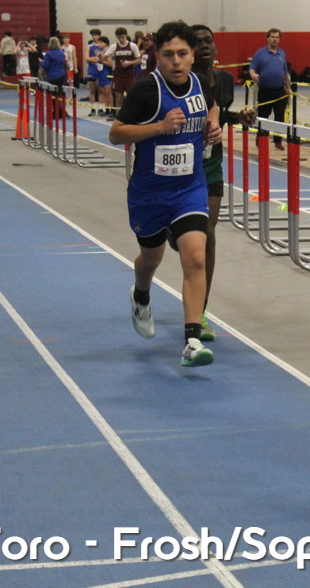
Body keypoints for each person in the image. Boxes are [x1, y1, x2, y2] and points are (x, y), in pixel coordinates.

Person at [109, 20, 222, 367]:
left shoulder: (200, 83)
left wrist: (213, 126)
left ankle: (191, 341)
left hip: (189, 187)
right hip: (149, 192)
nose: (176, 61)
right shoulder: (146, 89)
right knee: (151, 259)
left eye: (182, 54)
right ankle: (141, 294)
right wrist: (159, 127)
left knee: (196, 257)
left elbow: (212, 106)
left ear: (192, 56)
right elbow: (116, 133)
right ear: (158, 56)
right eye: (169, 54)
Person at [191, 24, 256, 341]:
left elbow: (220, 114)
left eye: (208, 41)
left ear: (215, 46)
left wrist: (238, 118)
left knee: (206, 235)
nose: (204, 46)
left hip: (211, 166)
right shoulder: (183, 81)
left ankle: (200, 311)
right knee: (179, 240)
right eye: (197, 42)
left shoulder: (226, 81)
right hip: (181, 166)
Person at [249, 28, 291, 150]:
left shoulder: (282, 53)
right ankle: (261, 139)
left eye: (277, 37)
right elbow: (252, 67)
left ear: (279, 39)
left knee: (280, 117)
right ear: (268, 38)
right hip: (265, 91)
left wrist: (288, 88)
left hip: (279, 90)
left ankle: (278, 141)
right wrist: (253, 75)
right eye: (272, 37)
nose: (274, 39)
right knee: (263, 116)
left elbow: (285, 72)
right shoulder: (260, 53)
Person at [106, 27, 141, 118]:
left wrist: (129, 63)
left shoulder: (132, 46)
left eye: (122, 37)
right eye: (119, 38)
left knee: (131, 95)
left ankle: (131, 114)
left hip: (129, 75)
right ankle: (120, 115)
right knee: (118, 96)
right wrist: (100, 56)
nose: (121, 39)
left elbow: (139, 60)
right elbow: (104, 57)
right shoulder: (114, 46)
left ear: (126, 36)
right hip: (118, 75)